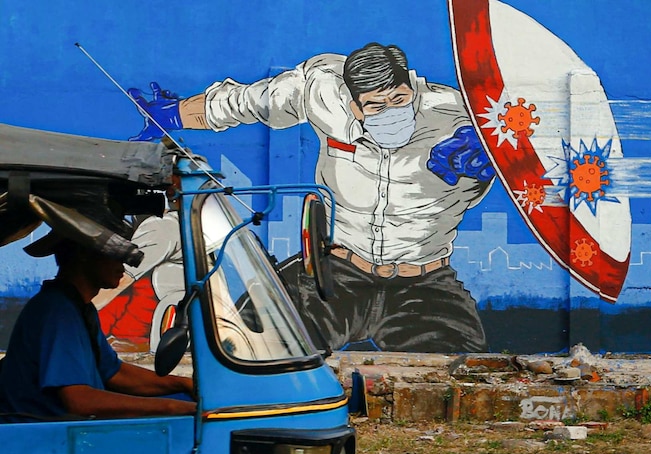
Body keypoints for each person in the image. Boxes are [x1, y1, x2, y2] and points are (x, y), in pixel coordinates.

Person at [127, 42, 495, 353]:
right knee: (251, 343)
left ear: (411, 86)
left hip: (423, 283)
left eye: (399, 98)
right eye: (376, 105)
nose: (392, 112)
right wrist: (172, 116)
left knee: (459, 372)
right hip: (335, 274)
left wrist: (489, 159)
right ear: (352, 103)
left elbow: (527, 152)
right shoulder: (321, 90)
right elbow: (248, 102)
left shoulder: (459, 117)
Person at [0, 210, 196, 422]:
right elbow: (80, 401)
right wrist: (170, 407)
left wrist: (181, 383)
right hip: (45, 440)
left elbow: (115, 373)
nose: (123, 266)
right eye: (114, 255)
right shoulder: (57, 311)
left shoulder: (80, 308)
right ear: (85, 254)